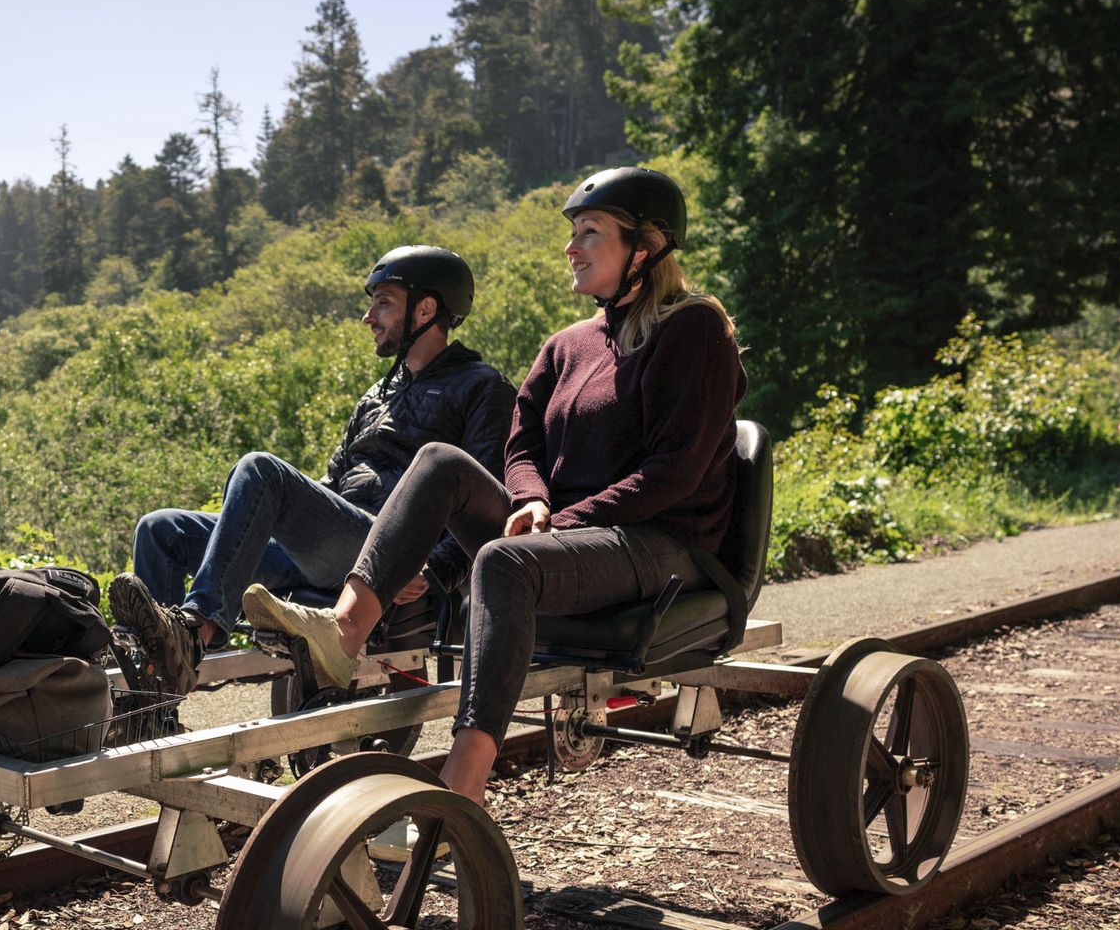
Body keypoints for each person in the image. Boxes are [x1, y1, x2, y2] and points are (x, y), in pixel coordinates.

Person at [244, 167, 747, 805]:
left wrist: (562, 522)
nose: (572, 247)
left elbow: (674, 472)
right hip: (572, 540)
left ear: (643, 249)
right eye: (572, 233)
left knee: (505, 562)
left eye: (590, 232)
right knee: (440, 462)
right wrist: (532, 497)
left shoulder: (691, 329)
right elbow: (522, 440)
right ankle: (344, 633)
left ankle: (465, 785)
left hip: (658, 543)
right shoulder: (568, 345)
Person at [109, 246, 516, 694]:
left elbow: (486, 503)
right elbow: (331, 485)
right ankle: (152, 698)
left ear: (426, 308)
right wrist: (290, 511)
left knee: (260, 469)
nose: (369, 317)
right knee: (159, 529)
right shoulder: (375, 396)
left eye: (383, 302)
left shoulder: (482, 387)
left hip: (390, 550)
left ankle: (196, 631)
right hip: (332, 544)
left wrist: (435, 570)